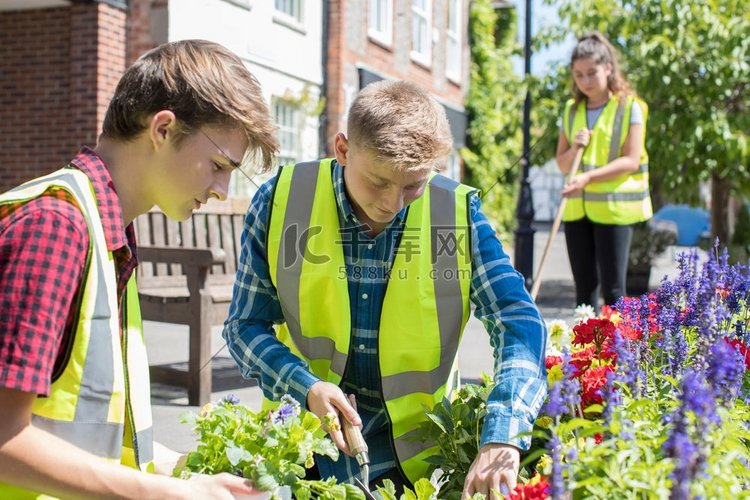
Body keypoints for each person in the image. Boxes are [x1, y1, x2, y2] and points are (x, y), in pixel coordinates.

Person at [223, 80, 547, 498]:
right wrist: (304, 387)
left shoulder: (457, 215)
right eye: (378, 182)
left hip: (421, 460)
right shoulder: (280, 200)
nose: (393, 203)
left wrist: (502, 434)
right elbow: (244, 325)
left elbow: (517, 320)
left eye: (413, 185)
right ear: (342, 150)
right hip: (303, 447)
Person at [0, 39, 279, 499]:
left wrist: (191, 477)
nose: (221, 188)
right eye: (217, 165)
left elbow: (97, 439)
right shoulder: (57, 226)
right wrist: (170, 495)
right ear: (164, 129)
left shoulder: (108, 232)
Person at [556, 32, 653, 309]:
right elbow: (562, 164)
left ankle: (618, 352)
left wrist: (587, 179)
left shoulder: (630, 107)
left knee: (614, 292)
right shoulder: (571, 110)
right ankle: (585, 352)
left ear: (608, 68)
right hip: (576, 210)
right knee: (584, 295)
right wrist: (575, 149)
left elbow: (631, 160)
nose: (585, 81)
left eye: (591, 73)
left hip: (614, 210)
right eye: (578, 75)